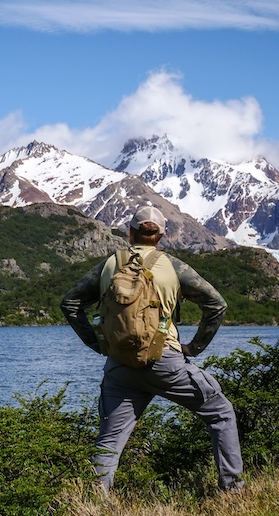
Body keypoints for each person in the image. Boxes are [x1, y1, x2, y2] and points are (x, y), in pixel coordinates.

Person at [60, 205, 244, 493]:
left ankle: (94, 502)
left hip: (120, 366)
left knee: (110, 442)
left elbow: (70, 304)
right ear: (161, 236)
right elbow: (216, 305)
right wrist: (193, 348)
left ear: (130, 232)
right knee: (220, 413)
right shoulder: (173, 266)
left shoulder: (111, 264)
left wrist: (97, 345)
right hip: (166, 361)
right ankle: (233, 491)